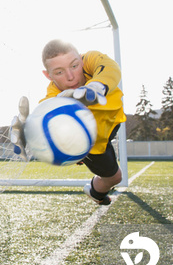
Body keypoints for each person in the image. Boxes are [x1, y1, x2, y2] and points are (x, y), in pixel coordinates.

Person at [11, 39, 126, 205]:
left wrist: (96, 86)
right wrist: (29, 131)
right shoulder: (53, 97)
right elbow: (45, 114)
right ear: (48, 75)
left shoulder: (90, 59)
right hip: (92, 145)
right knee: (115, 178)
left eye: (74, 66)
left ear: (81, 59)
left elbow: (110, 67)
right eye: (59, 72)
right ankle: (96, 193)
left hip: (114, 122)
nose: (71, 77)